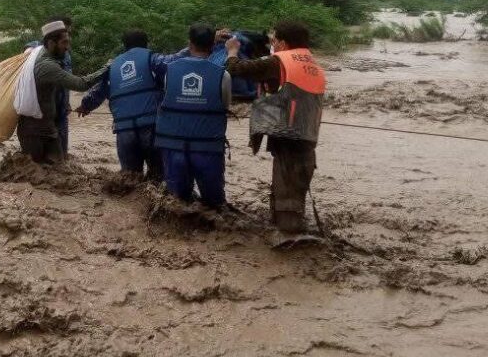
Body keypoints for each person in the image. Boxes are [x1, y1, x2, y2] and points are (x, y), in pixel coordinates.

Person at [224, 20, 326, 240]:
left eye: (275, 40)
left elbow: (236, 69)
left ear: (283, 43)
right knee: (295, 186)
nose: (273, 44)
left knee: (286, 188)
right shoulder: (312, 63)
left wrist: (232, 51)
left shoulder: (279, 62)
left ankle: (289, 237)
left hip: (288, 136)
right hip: (307, 137)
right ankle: (291, 225)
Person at [75, 29, 178, 180]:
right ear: (146, 44)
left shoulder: (112, 66)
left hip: (124, 132)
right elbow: (177, 64)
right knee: (159, 177)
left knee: (130, 179)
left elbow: (98, 91)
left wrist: (85, 106)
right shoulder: (153, 59)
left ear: (124, 45)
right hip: (151, 128)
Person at [154, 24, 232, 208]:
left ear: (189, 43)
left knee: (176, 203)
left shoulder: (169, 72)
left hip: (173, 147)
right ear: (213, 46)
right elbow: (224, 105)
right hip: (207, 148)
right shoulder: (223, 75)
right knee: (214, 205)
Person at [17, 20, 107, 164]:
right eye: (64, 43)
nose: (67, 47)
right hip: (33, 132)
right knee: (34, 171)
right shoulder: (47, 66)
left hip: (48, 128)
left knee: (59, 169)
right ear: (51, 43)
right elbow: (81, 84)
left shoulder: (39, 52)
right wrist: (107, 68)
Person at [26, 15, 74, 155]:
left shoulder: (65, 53)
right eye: (64, 32)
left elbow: (66, 81)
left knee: (62, 155)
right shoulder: (38, 49)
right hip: (44, 114)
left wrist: (67, 102)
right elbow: (32, 47)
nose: (67, 36)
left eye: (68, 32)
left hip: (61, 111)